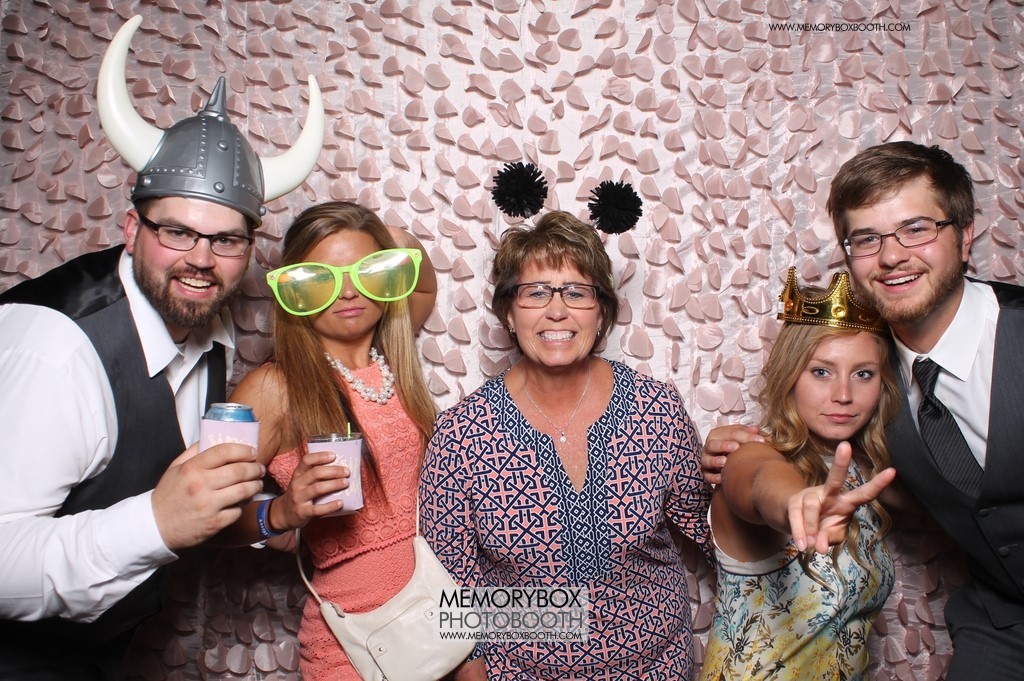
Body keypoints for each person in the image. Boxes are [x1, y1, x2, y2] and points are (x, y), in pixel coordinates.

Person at [0, 15, 323, 679]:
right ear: (131, 228)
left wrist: (275, 514)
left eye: (225, 239)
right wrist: (155, 522)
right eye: (176, 232)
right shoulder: (57, 351)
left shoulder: (207, 333)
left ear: (249, 248)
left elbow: (192, 504)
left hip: (104, 652)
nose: (200, 260)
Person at [702, 141, 1024, 679]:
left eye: (916, 228)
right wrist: (790, 501)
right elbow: (759, 481)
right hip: (1001, 625)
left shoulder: (870, 441)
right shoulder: (876, 386)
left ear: (965, 235)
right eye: (868, 238)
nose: (892, 255)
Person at [419, 210, 712, 679]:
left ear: (602, 312)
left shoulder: (656, 408)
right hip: (517, 673)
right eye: (536, 293)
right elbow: (447, 576)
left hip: (656, 667)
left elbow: (711, 529)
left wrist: (752, 473)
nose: (557, 310)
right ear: (509, 313)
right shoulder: (461, 433)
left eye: (576, 292)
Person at [226, 201, 438, 679]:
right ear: (295, 288)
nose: (348, 292)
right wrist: (280, 513)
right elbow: (203, 517)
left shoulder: (393, 354)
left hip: (435, 622)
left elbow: (423, 280)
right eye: (323, 278)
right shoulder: (272, 388)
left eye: (365, 272)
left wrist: (372, 233)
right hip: (353, 644)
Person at [701, 267, 900, 680]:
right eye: (821, 371)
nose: (843, 394)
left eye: (863, 374)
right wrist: (797, 500)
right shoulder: (749, 453)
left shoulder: (864, 475)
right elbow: (760, 481)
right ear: (790, 375)